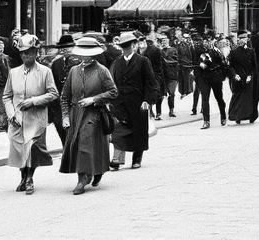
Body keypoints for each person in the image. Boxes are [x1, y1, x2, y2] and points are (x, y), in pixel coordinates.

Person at [59, 37, 118, 194]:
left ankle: (82, 179)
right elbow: (64, 96)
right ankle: (95, 171)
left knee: (86, 144)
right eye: (82, 53)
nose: (85, 56)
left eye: (88, 53)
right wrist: (65, 116)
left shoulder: (102, 70)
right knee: (77, 145)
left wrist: (94, 99)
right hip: (75, 114)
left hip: (94, 114)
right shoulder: (73, 71)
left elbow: (113, 92)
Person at [2, 34, 58, 195]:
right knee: (19, 150)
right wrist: (11, 114)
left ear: (36, 53)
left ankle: (29, 178)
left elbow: (53, 94)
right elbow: (6, 96)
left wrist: (33, 101)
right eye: (22, 53)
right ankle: (22, 175)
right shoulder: (13, 73)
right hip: (17, 119)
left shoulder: (45, 72)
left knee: (31, 149)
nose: (25, 56)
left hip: (36, 118)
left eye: (28, 52)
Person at [109, 32, 159, 170]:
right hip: (121, 102)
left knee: (139, 131)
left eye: (127, 46)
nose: (125, 49)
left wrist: (148, 100)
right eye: (122, 46)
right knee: (119, 131)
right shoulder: (117, 62)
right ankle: (117, 159)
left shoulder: (143, 61)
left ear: (134, 45)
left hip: (138, 102)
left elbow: (151, 83)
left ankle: (137, 158)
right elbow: (112, 82)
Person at [49, 34, 78, 143]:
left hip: (75, 104)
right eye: (63, 47)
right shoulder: (56, 63)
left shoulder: (79, 62)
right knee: (63, 134)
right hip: (60, 105)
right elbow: (53, 83)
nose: (65, 49)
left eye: (68, 47)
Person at [195, 35, 229, 128]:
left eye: (210, 41)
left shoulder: (217, 52)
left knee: (219, 98)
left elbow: (223, 65)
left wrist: (222, 76)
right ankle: (206, 121)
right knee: (205, 99)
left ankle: (223, 116)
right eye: (206, 41)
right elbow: (194, 63)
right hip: (204, 78)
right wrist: (199, 67)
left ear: (214, 42)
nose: (207, 43)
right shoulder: (199, 51)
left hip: (215, 77)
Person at [227, 31, 259, 124]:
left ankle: (250, 116)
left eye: (245, 39)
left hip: (248, 78)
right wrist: (234, 74)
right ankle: (237, 116)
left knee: (249, 98)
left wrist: (251, 75)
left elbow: (254, 66)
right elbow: (230, 66)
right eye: (242, 39)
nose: (243, 41)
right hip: (238, 78)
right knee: (238, 97)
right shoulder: (233, 52)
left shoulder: (251, 52)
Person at [158, 34, 180, 119]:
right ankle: (158, 112)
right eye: (162, 41)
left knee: (171, 94)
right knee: (161, 94)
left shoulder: (173, 50)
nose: (164, 43)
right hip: (163, 76)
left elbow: (175, 60)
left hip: (172, 75)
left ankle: (171, 110)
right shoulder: (159, 51)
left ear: (168, 42)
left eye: (165, 41)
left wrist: (165, 61)